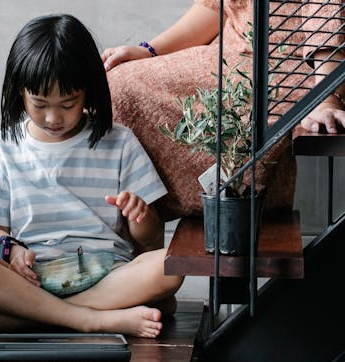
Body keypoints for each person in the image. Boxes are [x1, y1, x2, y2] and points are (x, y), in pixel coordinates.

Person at [0, 14, 185, 338]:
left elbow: (151, 241)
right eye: (40, 104)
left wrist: (140, 216)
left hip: (107, 276)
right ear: (20, 92)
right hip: (29, 279)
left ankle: (31, 317)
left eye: (68, 103)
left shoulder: (119, 143)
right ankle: (91, 319)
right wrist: (12, 250)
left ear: (88, 91)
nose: (53, 117)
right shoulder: (3, 148)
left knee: (170, 268)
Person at [101, 0, 345, 220]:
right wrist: (148, 50)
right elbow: (215, 7)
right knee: (118, 85)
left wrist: (326, 95)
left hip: (291, 71)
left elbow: (325, 12)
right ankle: (135, 232)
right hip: (227, 57)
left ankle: (238, 209)